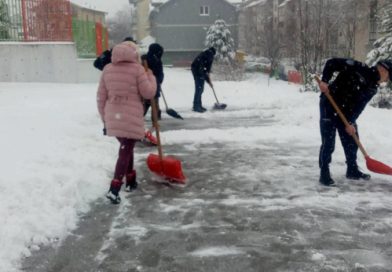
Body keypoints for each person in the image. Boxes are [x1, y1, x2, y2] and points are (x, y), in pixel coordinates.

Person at [97, 41, 156, 204]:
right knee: (125, 150)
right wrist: (150, 75)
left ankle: (131, 180)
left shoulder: (107, 69)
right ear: (133, 54)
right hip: (130, 117)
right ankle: (115, 187)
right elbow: (148, 92)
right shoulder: (137, 70)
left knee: (126, 147)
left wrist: (105, 119)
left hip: (113, 116)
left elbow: (101, 97)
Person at [317, 58, 392, 186]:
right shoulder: (358, 67)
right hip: (329, 104)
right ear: (382, 70)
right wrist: (324, 81)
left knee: (352, 140)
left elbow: (359, 107)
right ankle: (324, 172)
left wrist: (351, 122)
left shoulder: (373, 87)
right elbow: (331, 63)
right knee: (328, 143)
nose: (386, 80)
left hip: (345, 113)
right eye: (388, 77)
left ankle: (352, 169)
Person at [142, 43, 165, 120]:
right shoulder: (157, 61)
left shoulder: (143, 59)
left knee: (143, 106)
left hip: (144, 87)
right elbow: (160, 75)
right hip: (154, 87)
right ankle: (156, 121)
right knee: (155, 106)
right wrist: (158, 82)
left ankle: (137, 120)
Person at [191, 47, 216, 112]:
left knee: (200, 89)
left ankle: (198, 105)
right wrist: (203, 76)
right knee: (199, 89)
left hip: (197, 70)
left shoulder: (206, 54)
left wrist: (208, 81)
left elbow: (207, 70)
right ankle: (196, 107)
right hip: (198, 71)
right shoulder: (208, 55)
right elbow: (204, 69)